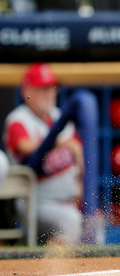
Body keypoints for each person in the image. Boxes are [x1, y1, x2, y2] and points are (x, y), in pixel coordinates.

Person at [2, 63, 84, 244]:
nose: (50, 93)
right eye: (43, 89)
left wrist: (79, 181)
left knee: (95, 225)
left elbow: (78, 150)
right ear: (27, 92)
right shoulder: (19, 119)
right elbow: (24, 146)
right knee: (72, 223)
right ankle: (50, 269)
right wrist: (58, 141)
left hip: (69, 201)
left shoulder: (58, 116)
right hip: (35, 203)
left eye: (51, 88)